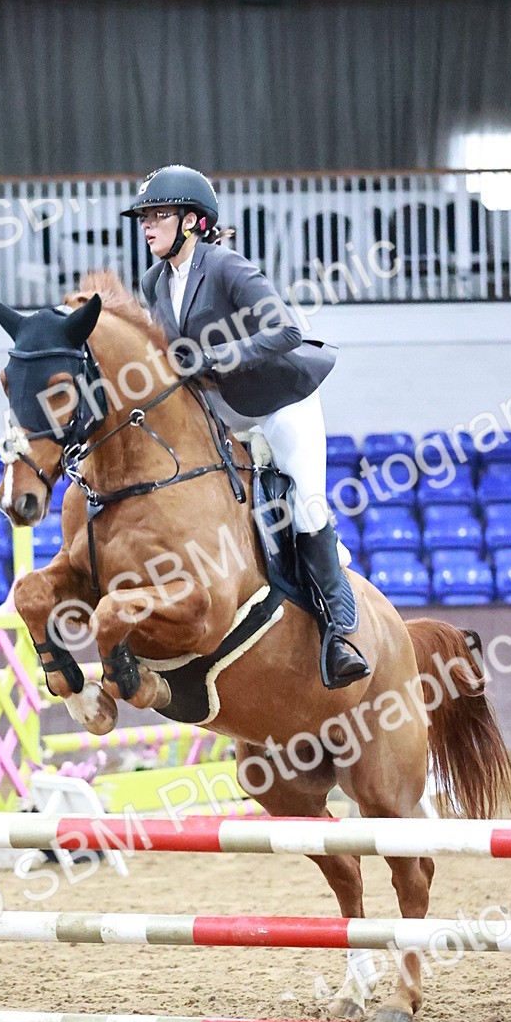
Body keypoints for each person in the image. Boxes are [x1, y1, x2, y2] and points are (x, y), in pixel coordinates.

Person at [121, 164, 369, 689]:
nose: (147, 226)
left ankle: (339, 632)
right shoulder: (154, 282)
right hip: (225, 407)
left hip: (282, 401)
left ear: (191, 221)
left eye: (157, 216)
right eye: (144, 217)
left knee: (306, 505)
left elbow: (285, 330)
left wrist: (215, 355)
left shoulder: (228, 266)